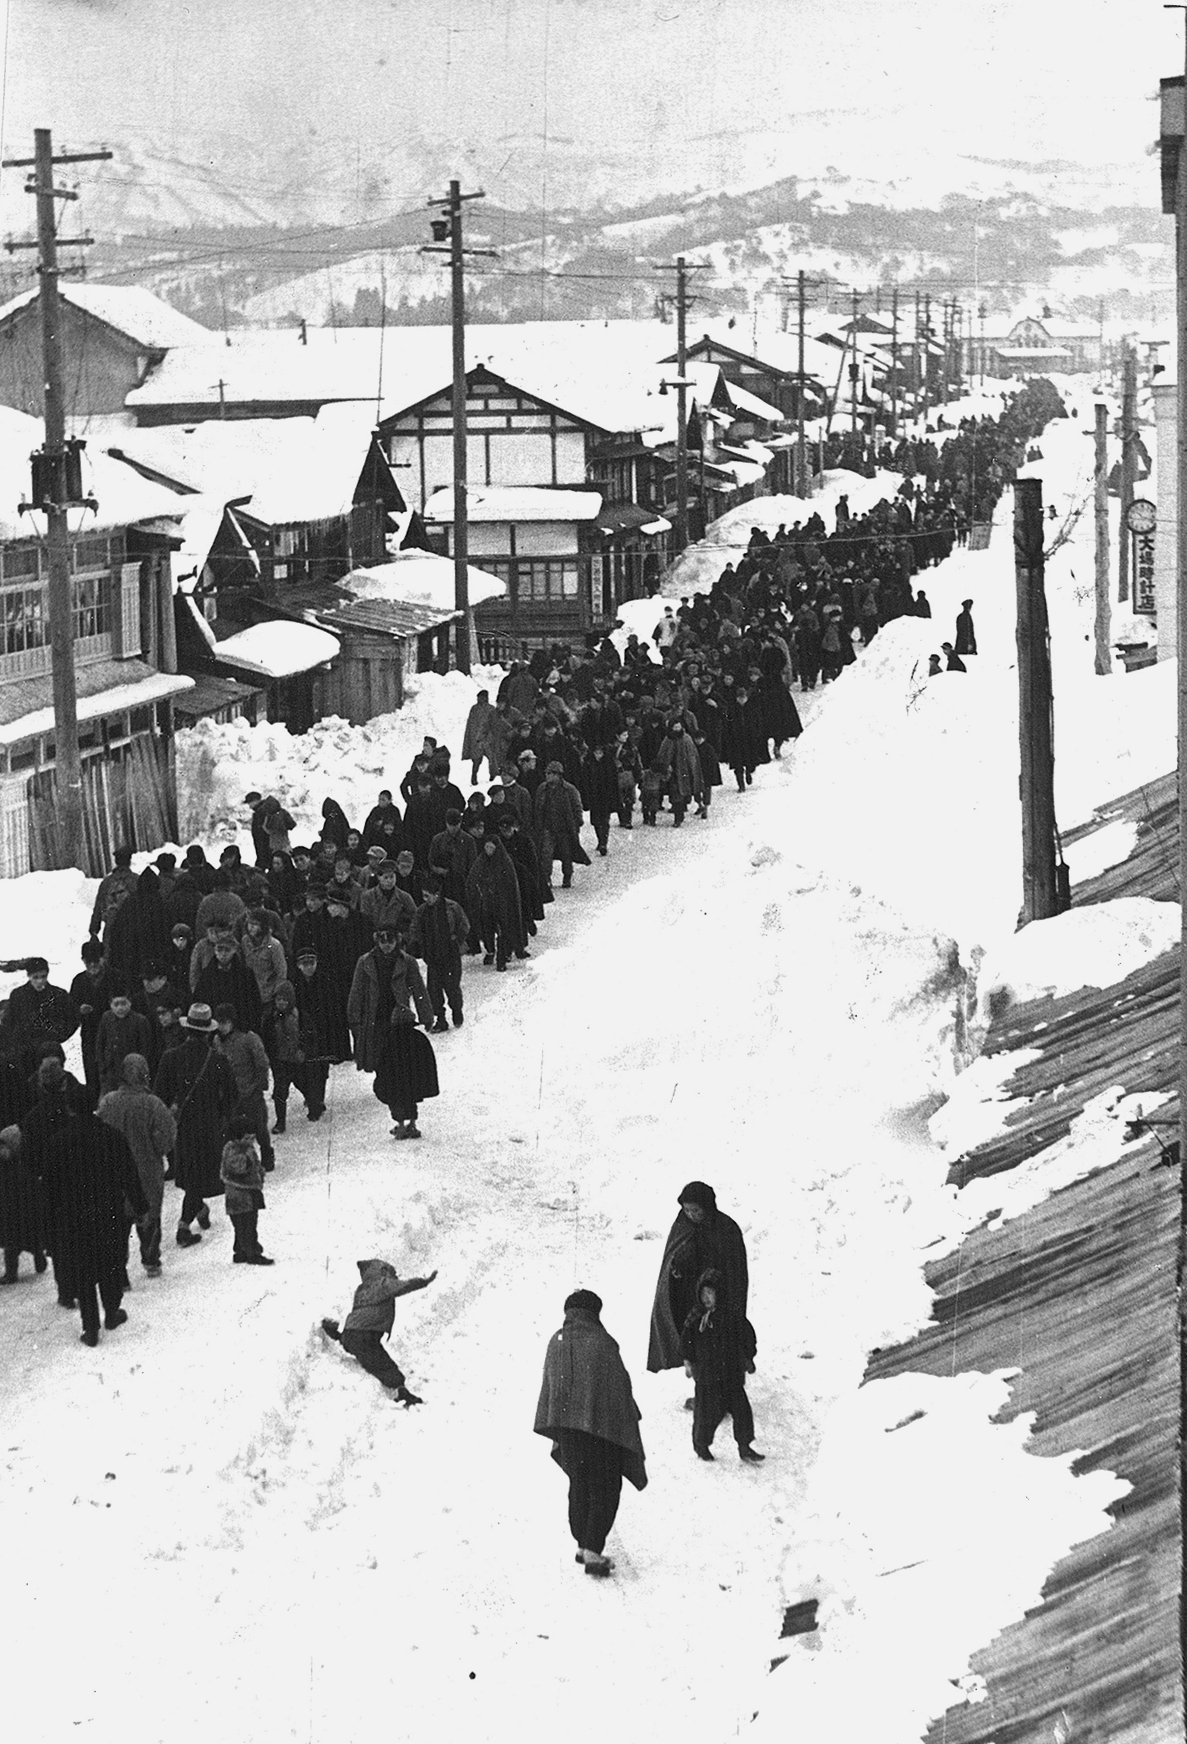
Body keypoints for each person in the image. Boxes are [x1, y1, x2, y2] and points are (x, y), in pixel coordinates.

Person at [533, 1289, 648, 1578]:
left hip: (569, 1430)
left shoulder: (555, 1341)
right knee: (606, 1487)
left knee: (579, 1483)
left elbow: (551, 1386)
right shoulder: (602, 1342)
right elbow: (619, 1385)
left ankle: (584, 1543)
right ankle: (594, 1551)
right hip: (601, 1430)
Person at [34, 1068, 148, 1346]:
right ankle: (112, 1312)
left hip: (73, 1217)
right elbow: (129, 1175)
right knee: (110, 1262)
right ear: (96, 1105)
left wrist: (47, 1227)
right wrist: (141, 1207)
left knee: (83, 1271)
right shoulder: (112, 1136)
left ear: (70, 1108)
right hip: (109, 1211)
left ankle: (90, 1327)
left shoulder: (57, 1143)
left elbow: (48, 1190)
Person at [152, 1002, 238, 1247]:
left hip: (182, 1129)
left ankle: (195, 1212)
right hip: (211, 1128)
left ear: (187, 1028)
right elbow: (232, 1096)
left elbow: (160, 1096)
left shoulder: (170, 1057)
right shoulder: (218, 1059)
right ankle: (184, 1225)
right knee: (201, 1176)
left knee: (191, 1175)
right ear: (209, 1031)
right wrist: (221, 1117)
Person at [647, 1181, 750, 1377]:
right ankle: (704, 1394)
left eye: (696, 1210)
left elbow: (733, 1270)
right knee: (697, 1347)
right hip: (691, 1298)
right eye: (687, 1210)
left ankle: (724, 1398)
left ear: (707, 1206)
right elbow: (675, 1257)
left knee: (723, 1345)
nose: (692, 1215)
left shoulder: (726, 1228)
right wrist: (676, 1268)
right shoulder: (682, 1226)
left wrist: (715, 1289)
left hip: (720, 1298)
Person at [96, 1053, 176, 1278]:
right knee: (149, 1217)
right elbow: (166, 1140)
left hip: (114, 1172)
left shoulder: (109, 1102)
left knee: (118, 1224)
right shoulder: (153, 1104)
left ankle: (118, 1270)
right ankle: (151, 1260)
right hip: (147, 1171)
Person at [321, 1258, 437, 1404]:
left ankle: (338, 1335)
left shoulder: (363, 1288)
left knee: (362, 1349)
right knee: (386, 1366)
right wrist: (423, 1282)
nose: (395, 1277)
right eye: (392, 1273)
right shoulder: (381, 1285)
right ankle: (401, 1394)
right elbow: (403, 1286)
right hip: (365, 1336)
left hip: (353, 1332)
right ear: (382, 1272)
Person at [680, 1267, 764, 1463]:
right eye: (703, 1293)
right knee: (706, 1414)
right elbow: (686, 1343)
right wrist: (688, 1362)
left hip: (731, 1374)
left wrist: (748, 1357)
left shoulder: (732, 1316)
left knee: (742, 1411)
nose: (707, 1298)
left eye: (711, 1293)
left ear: (721, 1294)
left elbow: (747, 1337)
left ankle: (745, 1447)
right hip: (707, 1377)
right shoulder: (695, 1318)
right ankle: (701, 1445)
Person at [369, 939, 437, 1140]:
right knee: (404, 1082)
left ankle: (400, 1123)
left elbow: (418, 989)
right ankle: (411, 1123)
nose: (386, 944)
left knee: (391, 1081)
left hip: (395, 1020)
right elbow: (359, 991)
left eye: (390, 940)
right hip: (381, 1021)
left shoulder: (406, 962)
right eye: (382, 940)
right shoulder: (367, 961)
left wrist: (427, 1015)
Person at [213, 1003, 274, 1171]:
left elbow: (262, 1063)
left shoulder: (249, 1038)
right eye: (218, 1022)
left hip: (250, 1091)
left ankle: (267, 1153)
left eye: (225, 1022)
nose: (221, 1026)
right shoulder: (217, 1041)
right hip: (230, 1094)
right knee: (233, 1130)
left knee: (259, 1127)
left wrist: (260, 1085)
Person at [408, 876, 469, 1031]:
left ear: (437, 894)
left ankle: (456, 1010)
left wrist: (457, 940)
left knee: (452, 987)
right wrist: (417, 944)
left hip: (451, 955)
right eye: (424, 896)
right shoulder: (422, 912)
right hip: (432, 956)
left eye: (428, 895)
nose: (426, 899)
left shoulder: (452, 907)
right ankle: (440, 1018)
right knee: (433, 991)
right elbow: (414, 929)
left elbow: (464, 925)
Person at [4, 958, 78, 1075]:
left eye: (43, 977)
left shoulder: (58, 995)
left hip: (50, 1052)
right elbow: (8, 1023)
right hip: (24, 1054)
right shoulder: (18, 996)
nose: (40, 981)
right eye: (35, 977)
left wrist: (57, 1036)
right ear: (28, 976)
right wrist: (18, 1042)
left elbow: (73, 1019)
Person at [465, 834, 525, 970]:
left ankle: (502, 956)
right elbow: (472, 879)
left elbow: (510, 884)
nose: (488, 850)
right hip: (486, 901)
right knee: (487, 928)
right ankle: (490, 950)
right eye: (486, 847)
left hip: (503, 902)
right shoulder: (481, 860)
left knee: (504, 928)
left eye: (491, 847)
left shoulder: (505, 861)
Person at [220, 1114, 273, 1265]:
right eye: (247, 1138)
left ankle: (241, 1250)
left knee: (246, 1224)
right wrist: (250, 1161)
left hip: (250, 1192)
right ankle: (252, 1252)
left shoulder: (246, 1148)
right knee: (246, 1225)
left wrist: (260, 1171)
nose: (251, 1141)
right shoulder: (232, 1151)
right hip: (240, 1196)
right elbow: (238, 1167)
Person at [0, 1123, 46, 1284]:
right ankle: (38, 1256)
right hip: (19, 1209)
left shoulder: (14, 1168)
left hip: (15, 1209)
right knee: (25, 1240)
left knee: (12, 1243)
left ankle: (12, 1273)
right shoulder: (25, 1164)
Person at [533, 760, 589, 890]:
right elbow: (537, 808)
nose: (547, 776)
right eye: (547, 773)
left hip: (565, 828)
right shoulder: (542, 789)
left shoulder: (569, 789)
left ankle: (567, 876)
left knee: (566, 854)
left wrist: (577, 822)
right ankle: (546, 878)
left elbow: (577, 806)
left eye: (551, 773)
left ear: (558, 775)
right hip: (547, 827)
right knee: (546, 855)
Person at [95, 988, 153, 1096]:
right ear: (110, 1005)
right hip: (110, 1071)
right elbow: (100, 1043)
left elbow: (145, 1049)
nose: (120, 1008)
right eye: (116, 1004)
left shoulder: (140, 1021)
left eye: (123, 1003)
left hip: (132, 1073)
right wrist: (102, 1066)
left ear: (130, 1003)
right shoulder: (106, 1018)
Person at [88, 845, 138, 939]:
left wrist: (94, 931)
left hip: (111, 928)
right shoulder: (136, 880)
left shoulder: (107, 882)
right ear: (129, 861)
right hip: (133, 928)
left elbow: (98, 907)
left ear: (116, 861)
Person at [462, 689, 497, 786]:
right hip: (478, 739)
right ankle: (474, 776)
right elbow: (471, 724)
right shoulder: (475, 709)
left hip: (485, 738)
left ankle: (492, 775)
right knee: (478, 760)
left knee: (491, 758)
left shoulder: (491, 709)